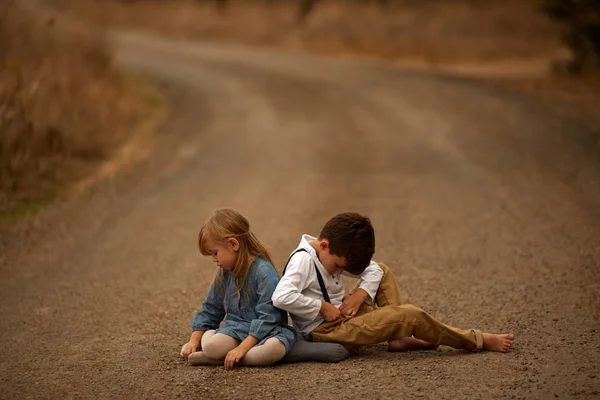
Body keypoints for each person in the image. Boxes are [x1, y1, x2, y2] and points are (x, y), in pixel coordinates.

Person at [272, 212, 515, 353]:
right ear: (324, 246)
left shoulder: (328, 251)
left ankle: (398, 338)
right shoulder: (303, 261)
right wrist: (321, 307)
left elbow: (376, 269)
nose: (340, 272)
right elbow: (281, 296)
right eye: (339, 267)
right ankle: (476, 340)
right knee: (411, 316)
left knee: (382, 271)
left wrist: (359, 295)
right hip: (325, 330)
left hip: (342, 313)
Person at [180, 208, 349, 370]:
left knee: (271, 349)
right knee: (212, 347)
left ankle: (221, 360)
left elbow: (270, 317)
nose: (213, 259)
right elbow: (211, 307)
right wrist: (195, 340)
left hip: (270, 331)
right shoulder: (224, 273)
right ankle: (217, 354)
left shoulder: (263, 271)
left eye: (214, 253)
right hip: (237, 329)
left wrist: (243, 348)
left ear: (234, 244)